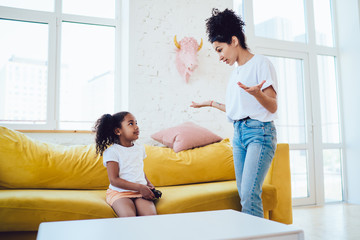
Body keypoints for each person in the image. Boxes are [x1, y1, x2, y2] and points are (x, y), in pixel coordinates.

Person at [191, 8, 278, 218]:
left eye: (220, 50)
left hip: (260, 132)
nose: (219, 56)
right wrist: (210, 103)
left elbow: (273, 106)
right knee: (244, 194)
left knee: (249, 195)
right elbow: (236, 110)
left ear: (234, 41)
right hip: (239, 134)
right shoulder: (236, 73)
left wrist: (258, 94)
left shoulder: (261, 63)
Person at [93, 111, 157, 217]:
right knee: (128, 217)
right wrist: (140, 187)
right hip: (120, 193)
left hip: (140, 192)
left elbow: (138, 169)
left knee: (150, 216)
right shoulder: (112, 152)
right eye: (131, 124)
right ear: (118, 131)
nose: (136, 127)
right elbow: (114, 180)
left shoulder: (140, 148)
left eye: (136, 123)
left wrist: (148, 184)